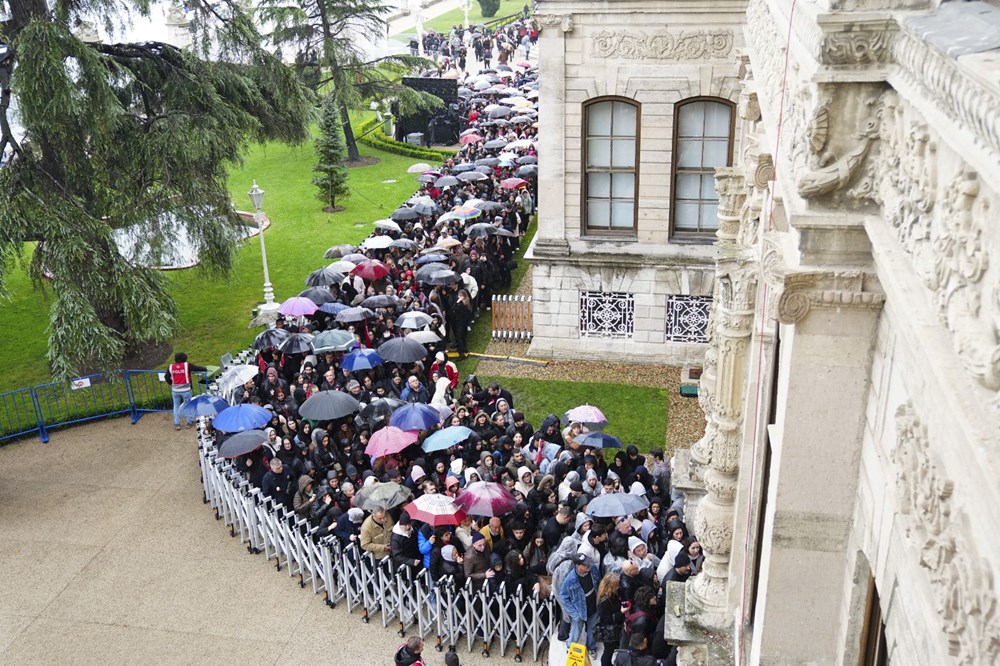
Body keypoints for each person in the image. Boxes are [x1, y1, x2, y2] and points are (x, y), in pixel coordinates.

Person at [560, 552, 600, 653]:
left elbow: (598, 582)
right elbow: (564, 597)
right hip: (579, 610)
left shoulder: (593, 569)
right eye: (585, 565)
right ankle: (570, 648)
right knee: (576, 631)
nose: (588, 566)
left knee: (592, 630)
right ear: (578, 566)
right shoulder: (570, 579)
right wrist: (574, 613)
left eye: (588, 563)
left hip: (593, 607)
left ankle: (591, 648)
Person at [165, 352, 207, 430]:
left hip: (175, 390)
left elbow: (167, 377)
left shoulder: (170, 367)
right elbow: (197, 368)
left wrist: (172, 383)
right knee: (188, 406)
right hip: (186, 390)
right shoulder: (187, 365)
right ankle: (189, 422)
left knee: (176, 406)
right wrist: (205, 368)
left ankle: (177, 423)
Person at [595, 573, 625, 666]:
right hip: (608, 632)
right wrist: (621, 612)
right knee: (608, 651)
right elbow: (606, 619)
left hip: (613, 629)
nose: (618, 587)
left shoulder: (612, 595)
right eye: (616, 585)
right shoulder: (604, 602)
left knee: (610, 650)